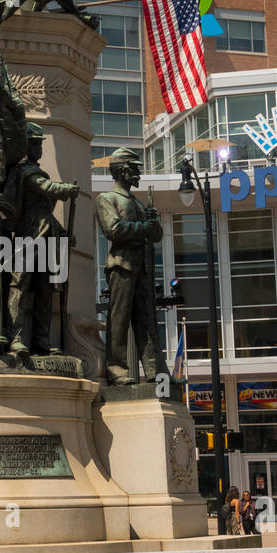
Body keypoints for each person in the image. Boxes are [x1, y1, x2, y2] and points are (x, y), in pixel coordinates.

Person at [95, 148, 169, 386]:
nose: (138, 173)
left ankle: (156, 373)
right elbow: (113, 230)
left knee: (147, 322)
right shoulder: (107, 199)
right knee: (119, 320)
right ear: (123, 170)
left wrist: (152, 221)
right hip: (122, 266)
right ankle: (116, 369)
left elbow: (156, 235)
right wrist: (144, 227)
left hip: (142, 268)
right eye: (135, 168)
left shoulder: (137, 202)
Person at [2, 124, 78, 356]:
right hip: (27, 237)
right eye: (34, 143)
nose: (38, 148)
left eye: (39, 143)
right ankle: (15, 336)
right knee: (19, 286)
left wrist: (63, 233)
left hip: (46, 237)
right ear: (24, 146)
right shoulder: (24, 172)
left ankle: (41, 339)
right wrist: (65, 190)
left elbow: (45, 214)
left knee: (45, 290)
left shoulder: (34, 171)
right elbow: (45, 188)